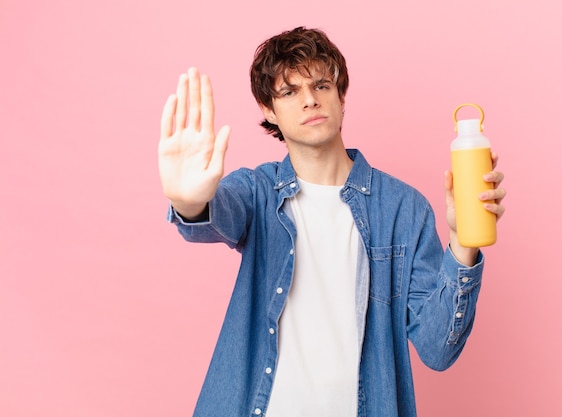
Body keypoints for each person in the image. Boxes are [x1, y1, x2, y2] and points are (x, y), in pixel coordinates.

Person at [158, 26, 505, 417]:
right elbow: (214, 214)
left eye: (321, 85)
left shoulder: (403, 209)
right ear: (268, 109)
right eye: (290, 92)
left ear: (341, 95)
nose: (309, 100)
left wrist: (463, 244)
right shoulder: (257, 191)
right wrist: (188, 201)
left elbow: (438, 349)